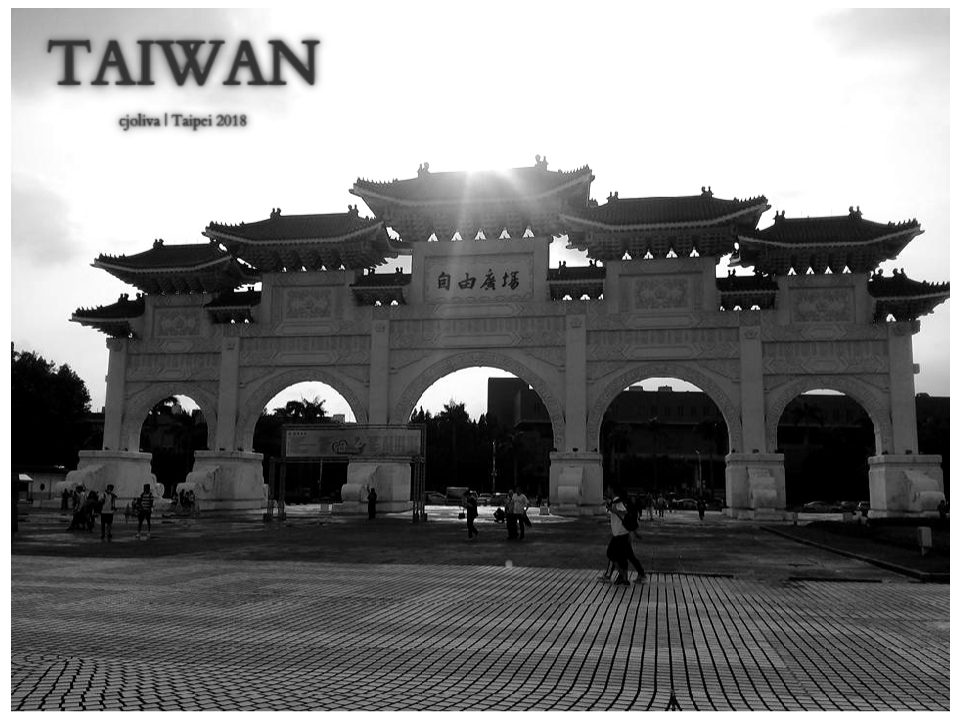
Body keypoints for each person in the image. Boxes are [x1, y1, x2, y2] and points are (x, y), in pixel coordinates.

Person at [600, 485, 632, 585]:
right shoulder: (615, 501)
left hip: (620, 533)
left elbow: (625, 512)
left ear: (612, 491)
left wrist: (614, 510)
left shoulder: (617, 500)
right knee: (621, 556)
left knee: (611, 553)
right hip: (621, 533)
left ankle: (622, 575)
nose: (607, 491)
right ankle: (623, 577)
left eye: (609, 489)